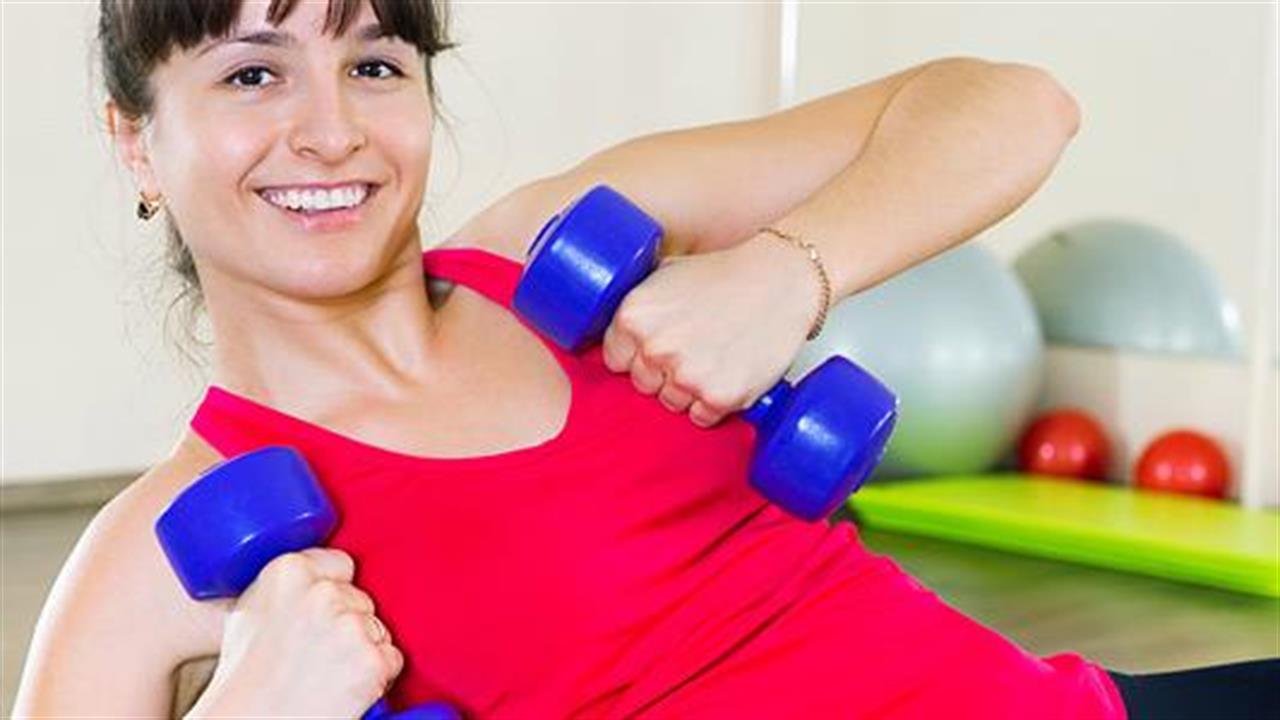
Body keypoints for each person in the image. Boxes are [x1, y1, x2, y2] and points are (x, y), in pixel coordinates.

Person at [13, 0, 1276, 718]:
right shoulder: (151, 554)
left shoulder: (543, 255)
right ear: (135, 141)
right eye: (252, 74)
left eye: (375, 63)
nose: (331, 129)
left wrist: (788, 269)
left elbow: (1013, 103)